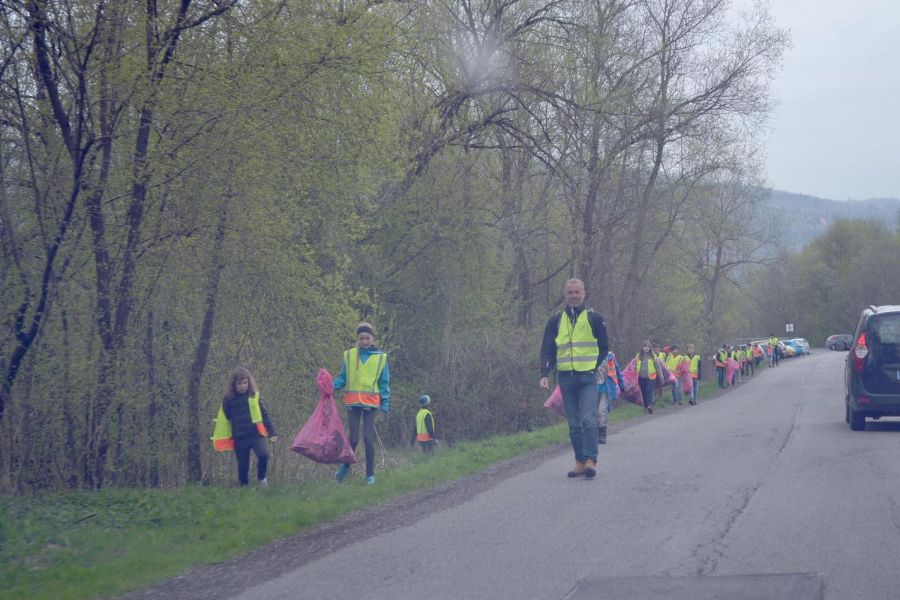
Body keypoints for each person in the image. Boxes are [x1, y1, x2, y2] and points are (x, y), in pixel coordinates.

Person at [539, 278, 609, 479]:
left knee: (588, 419)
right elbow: (547, 349)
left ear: (584, 293)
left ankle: (590, 461)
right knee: (573, 423)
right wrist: (545, 374)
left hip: (587, 377)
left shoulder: (595, 318)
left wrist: (596, 368)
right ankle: (579, 461)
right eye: (570, 292)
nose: (574, 295)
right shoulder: (555, 320)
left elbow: (604, 348)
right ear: (565, 294)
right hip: (565, 377)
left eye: (577, 292)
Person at [334, 322, 390, 485]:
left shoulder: (381, 358)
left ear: (372, 338)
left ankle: (370, 475)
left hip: (371, 404)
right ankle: (344, 468)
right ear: (357, 339)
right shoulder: (349, 355)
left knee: (367, 438)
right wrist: (332, 385)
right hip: (352, 403)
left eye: (367, 338)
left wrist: (385, 403)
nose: (364, 341)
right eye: (361, 338)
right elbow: (343, 378)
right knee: (353, 439)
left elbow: (384, 382)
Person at [212, 367, 278, 487]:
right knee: (243, 466)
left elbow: (264, 415)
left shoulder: (253, 397)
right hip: (240, 437)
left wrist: (272, 432)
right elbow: (225, 417)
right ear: (234, 385)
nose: (243, 386)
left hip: (256, 434)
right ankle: (244, 488)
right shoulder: (228, 400)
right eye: (239, 383)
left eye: (245, 383)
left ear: (249, 383)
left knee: (264, 455)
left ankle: (262, 479)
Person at [596, 351, 625, 444]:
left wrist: (622, 385)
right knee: (594, 412)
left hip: (606, 388)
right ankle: (594, 433)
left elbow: (617, 370)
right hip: (592, 389)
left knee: (602, 410)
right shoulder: (589, 355)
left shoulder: (610, 357)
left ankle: (602, 434)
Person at [634, 341, 658, 414]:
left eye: (648, 346)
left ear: (650, 348)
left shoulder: (653, 356)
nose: (646, 348)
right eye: (645, 346)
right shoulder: (638, 356)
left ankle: (650, 406)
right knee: (643, 392)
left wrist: (661, 376)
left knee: (649, 391)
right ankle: (646, 406)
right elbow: (634, 366)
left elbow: (658, 366)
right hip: (641, 377)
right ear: (642, 347)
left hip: (651, 377)